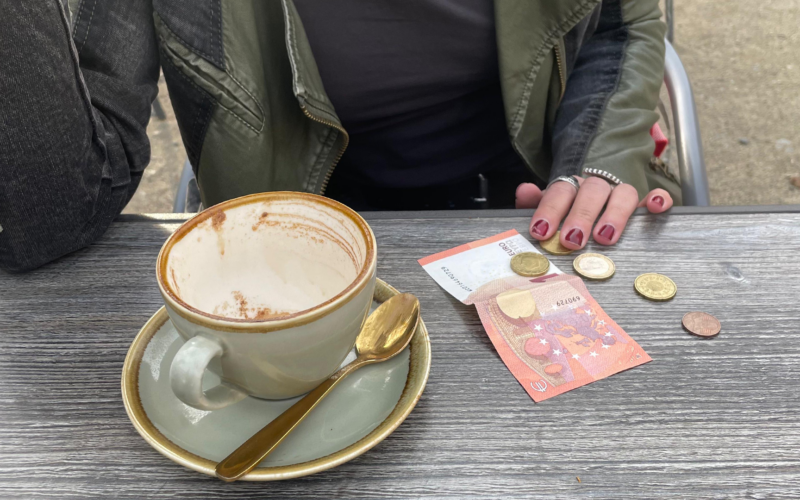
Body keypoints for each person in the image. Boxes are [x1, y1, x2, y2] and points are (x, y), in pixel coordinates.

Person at [0, 0, 678, 273]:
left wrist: (600, 151)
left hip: (528, 213)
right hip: (286, 249)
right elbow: (54, 209)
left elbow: (623, 25)